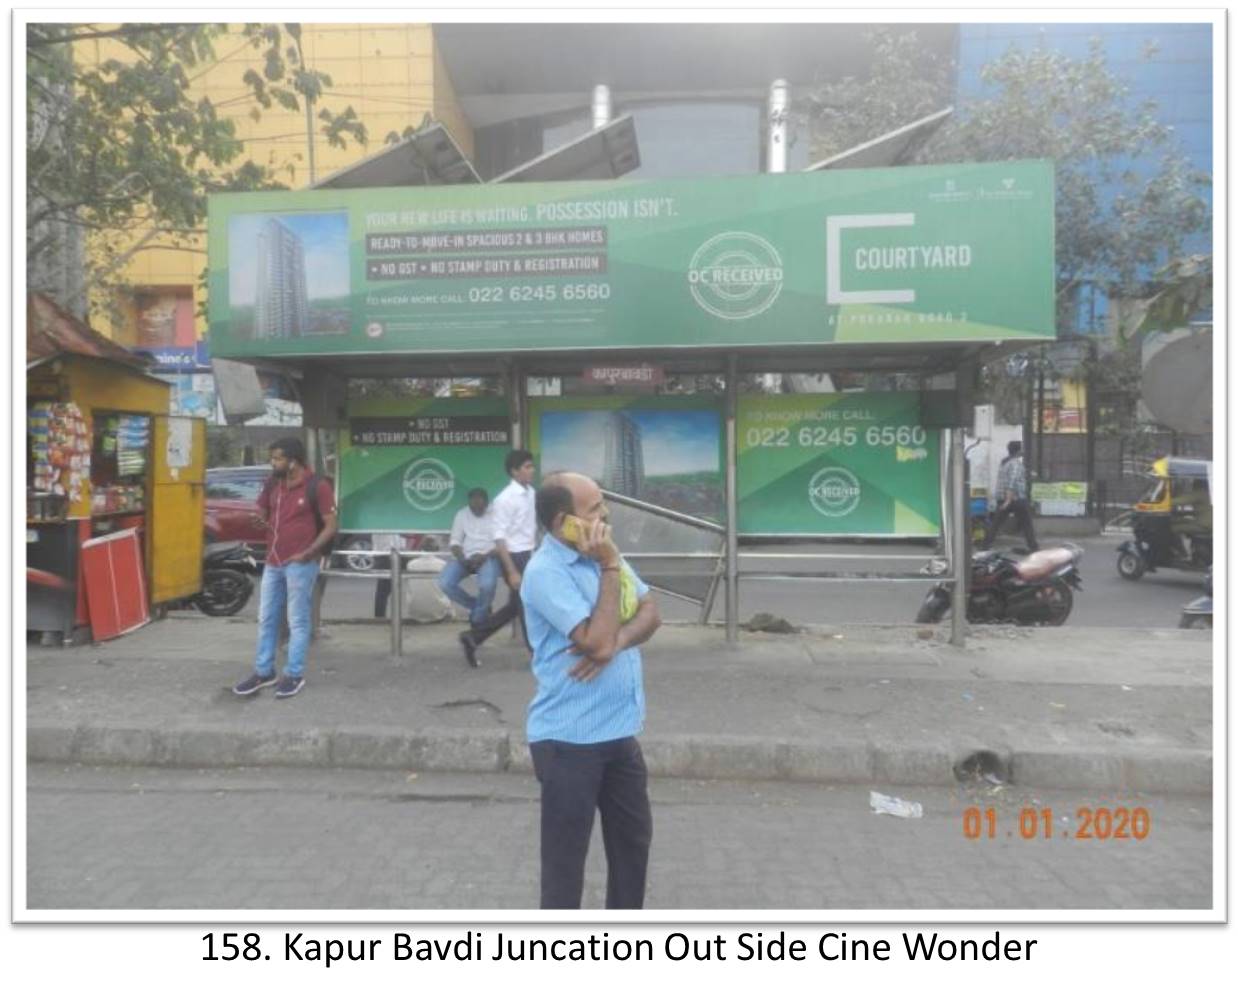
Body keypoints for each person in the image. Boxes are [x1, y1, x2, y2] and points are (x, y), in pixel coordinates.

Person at [520, 471, 662, 909]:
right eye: (595, 508)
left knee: (632, 850)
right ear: (564, 521)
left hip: (619, 733)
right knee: (565, 868)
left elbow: (652, 612)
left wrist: (616, 643)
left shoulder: (605, 553)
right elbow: (594, 641)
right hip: (568, 742)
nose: (605, 515)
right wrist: (608, 568)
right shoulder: (546, 572)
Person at [232, 438, 337, 699]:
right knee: (267, 618)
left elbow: (331, 525)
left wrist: (310, 552)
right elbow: (261, 509)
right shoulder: (273, 483)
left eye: (278, 458)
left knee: (298, 620)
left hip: (301, 563)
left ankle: (293, 674)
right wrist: (258, 519)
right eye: (273, 458)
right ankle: (264, 671)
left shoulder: (317, 486)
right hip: (273, 561)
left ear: (294, 461)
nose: (273, 463)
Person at [458, 449, 537, 667]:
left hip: (527, 553)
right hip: (513, 556)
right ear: (514, 471)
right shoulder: (504, 500)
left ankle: (473, 637)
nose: (532, 471)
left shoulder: (530, 492)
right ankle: (536, 655)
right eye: (527, 467)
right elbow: (499, 538)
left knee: (516, 605)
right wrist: (511, 570)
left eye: (532, 466)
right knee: (526, 603)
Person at [436, 488, 501, 627]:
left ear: (486, 503)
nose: (476, 510)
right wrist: (461, 558)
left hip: (488, 557)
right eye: (473, 507)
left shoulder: (497, 515)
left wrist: (484, 556)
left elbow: (502, 544)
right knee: (444, 583)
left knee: (487, 586)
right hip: (466, 557)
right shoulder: (462, 514)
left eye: (479, 507)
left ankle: (477, 618)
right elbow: (455, 542)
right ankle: (479, 607)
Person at [987, 439, 1039, 551]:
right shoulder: (1015, 463)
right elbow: (1012, 481)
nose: (1023, 450)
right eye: (1022, 448)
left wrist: (1028, 474)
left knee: (996, 523)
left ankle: (985, 545)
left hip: (1004, 498)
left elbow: (1014, 476)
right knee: (1027, 524)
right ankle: (1034, 548)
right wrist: (1008, 500)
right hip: (1015, 499)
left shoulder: (1005, 462)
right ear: (1018, 451)